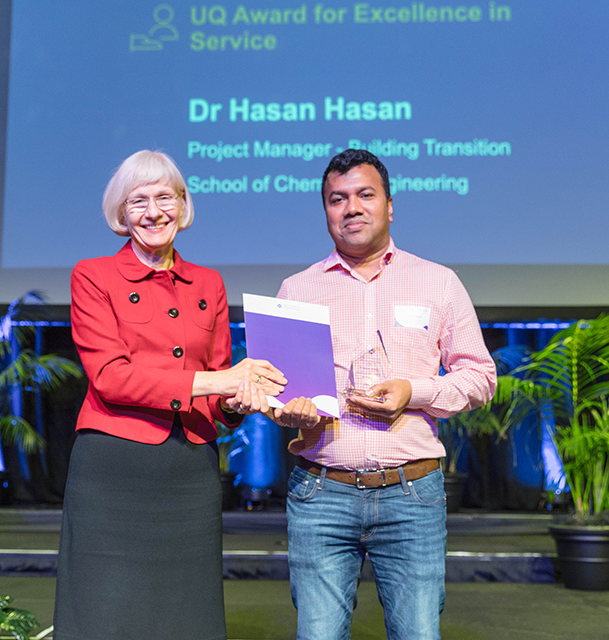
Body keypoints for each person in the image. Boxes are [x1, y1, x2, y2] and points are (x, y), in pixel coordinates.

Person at [53, 150, 285, 640]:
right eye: (139, 201)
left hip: (189, 472)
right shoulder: (93, 276)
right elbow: (112, 378)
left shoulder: (210, 283)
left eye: (165, 197)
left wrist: (237, 400)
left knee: (188, 614)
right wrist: (218, 382)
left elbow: (220, 391)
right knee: (105, 611)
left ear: (183, 204)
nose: (154, 211)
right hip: (113, 468)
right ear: (121, 213)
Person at [271, 149, 497, 640]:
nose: (351, 208)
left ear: (389, 206)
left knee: (417, 634)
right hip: (321, 492)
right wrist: (289, 411)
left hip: (412, 493)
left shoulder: (438, 281)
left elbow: (480, 376)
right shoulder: (297, 289)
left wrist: (412, 392)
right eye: (337, 199)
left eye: (364, 195)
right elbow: (277, 393)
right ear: (326, 211)